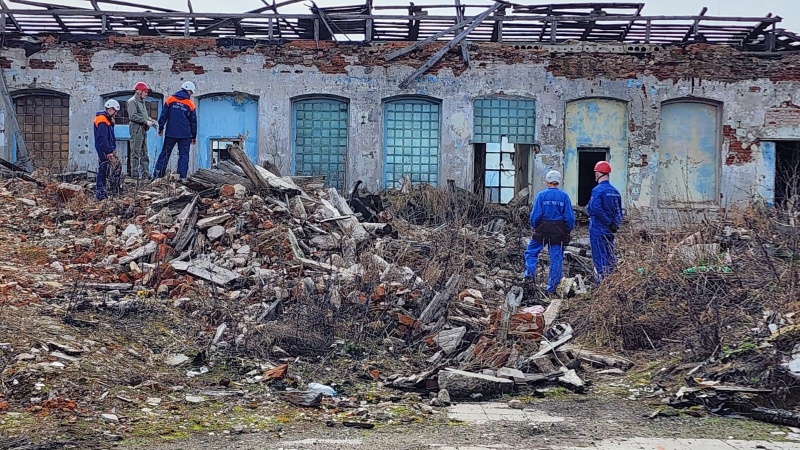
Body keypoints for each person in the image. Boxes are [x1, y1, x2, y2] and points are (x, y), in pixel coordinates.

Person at [524, 170, 576, 297]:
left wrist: (534, 226)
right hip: (558, 231)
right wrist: (568, 229)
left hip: (542, 229)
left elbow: (535, 215)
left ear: (547, 181)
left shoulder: (541, 195)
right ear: (558, 181)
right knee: (556, 258)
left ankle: (529, 277)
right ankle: (552, 287)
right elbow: (569, 217)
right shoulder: (564, 196)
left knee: (531, 252)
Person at [587, 161, 623, 283]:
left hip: (598, 229)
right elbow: (619, 211)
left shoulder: (597, 190)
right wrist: (614, 225)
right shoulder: (615, 191)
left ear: (597, 174)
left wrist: (607, 222)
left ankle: (602, 286)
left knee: (600, 257)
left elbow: (594, 208)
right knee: (610, 254)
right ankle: (613, 282)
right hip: (610, 230)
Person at [153, 81, 197, 179]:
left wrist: (161, 128)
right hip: (186, 135)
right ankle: (182, 178)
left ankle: (157, 175)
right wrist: (194, 136)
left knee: (165, 154)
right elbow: (193, 122)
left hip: (171, 133)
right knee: (183, 156)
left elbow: (163, 115)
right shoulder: (190, 104)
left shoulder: (170, 100)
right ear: (189, 91)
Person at [127, 81, 157, 179]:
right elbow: (133, 116)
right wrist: (145, 121)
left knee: (145, 153)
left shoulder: (142, 102)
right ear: (139, 91)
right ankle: (134, 175)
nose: (146, 94)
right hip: (136, 129)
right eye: (145, 92)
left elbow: (144, 115)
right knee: (135, 153)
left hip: (143, 129)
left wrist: (152, 121)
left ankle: (146, 175)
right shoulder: (132, 102)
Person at [94, 99, 121, 201]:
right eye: (115, 111)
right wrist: (108, 151)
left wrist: (112, 124)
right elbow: (103, 137)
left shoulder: (106, 120)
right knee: (103, 170)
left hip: (105, 149)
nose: (116, 114)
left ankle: (104, 193)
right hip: (104, 150)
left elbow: (108, 135)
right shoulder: (102, 120)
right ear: (110, 110)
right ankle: (101, 194)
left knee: (106, 169)